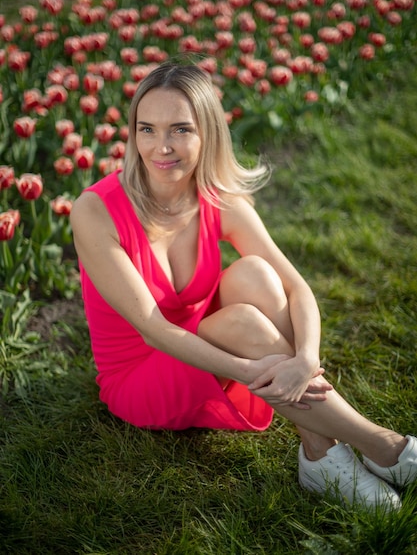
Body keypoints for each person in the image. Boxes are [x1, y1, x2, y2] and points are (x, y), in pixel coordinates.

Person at [70, 61, 417, 510]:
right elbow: (153, 330)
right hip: (141, 371)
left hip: (211, 338)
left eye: (180, 130)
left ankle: (321, 453)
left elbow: (297, 289)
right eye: (147, 129)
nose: (162, 147)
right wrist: (254, 371)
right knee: (243, 323)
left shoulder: (216, 197)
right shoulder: (94, 211)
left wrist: (305, 359)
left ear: (207, 133)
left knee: (257, 273)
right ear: (133, 133)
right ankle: (386, 447)